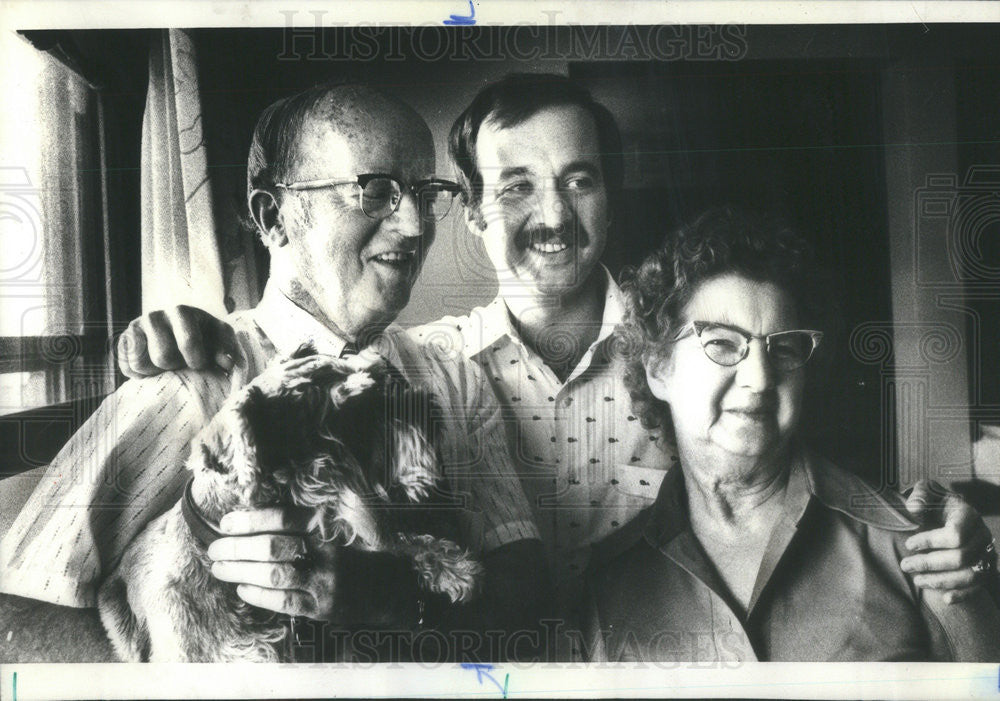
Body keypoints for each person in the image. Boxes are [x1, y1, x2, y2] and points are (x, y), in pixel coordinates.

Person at [114, 74, 995, 631]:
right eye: (516, 185)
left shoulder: (693, 353)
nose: (553, 215)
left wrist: (949, 513)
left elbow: (810, 487)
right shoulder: (424, 367)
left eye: (579, 178)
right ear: (471, 211)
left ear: (610, 193)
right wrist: (179, 333)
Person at [0, 82, 547, 661]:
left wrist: (389, 600)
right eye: (374, 191)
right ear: (274, 216)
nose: (414, 226)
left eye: (424, 191)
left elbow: (530, 603)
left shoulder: (453, 378)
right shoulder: (186, 384)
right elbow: (16, 618)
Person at [583, 207, 1000, 662]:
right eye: (721, 343)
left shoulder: (920, 545)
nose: (759, 378)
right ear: (658, 369)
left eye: (782, 347)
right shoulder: (610, 583)